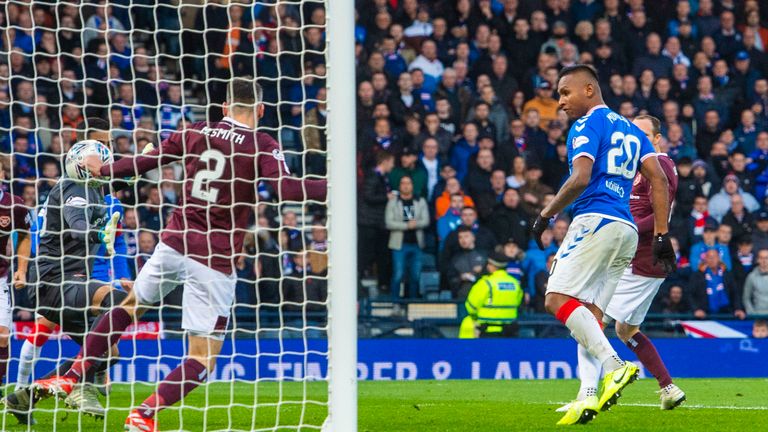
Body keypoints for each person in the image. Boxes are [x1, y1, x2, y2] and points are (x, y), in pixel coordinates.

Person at [31, 78, 327, 431]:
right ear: (261, 110)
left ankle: (73, 374)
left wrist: (104, 170)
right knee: (202, 359)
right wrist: (333, 183)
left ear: (222, 108)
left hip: (174, 241)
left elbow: (143, 162)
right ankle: (144, 414)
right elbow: (285, 188)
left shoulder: (195, 131)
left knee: (129, 306)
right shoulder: (261, 143)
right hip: (214, 258)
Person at [530, 65, 674, 425]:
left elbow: (579, 177)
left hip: (595, 220)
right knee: (591, 317)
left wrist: (546, 215)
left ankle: (615, 366)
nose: (561, 102)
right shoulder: (629, 127)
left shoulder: (587, 124)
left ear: (589, 90)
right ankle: (588, 396)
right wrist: (661, 233)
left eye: (565, 92)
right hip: (625, 229)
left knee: (556, 298)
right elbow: (658, 180)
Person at [563, 115, 685, 415]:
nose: (637, 139)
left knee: (590, 324)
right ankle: (669, 388)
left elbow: (660, 217)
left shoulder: (662, 166)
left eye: (644, 134)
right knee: (626, 330)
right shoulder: (636, 166)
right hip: (635, 259)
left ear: (657, 138)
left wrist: (622, 224)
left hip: (640, 261)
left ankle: (587, 394)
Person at [4, 142, 126, 422]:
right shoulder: (75, 188)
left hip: (66, 282)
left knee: (107, 352)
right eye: (96, 165)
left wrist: (139, 167)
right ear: (81, 166)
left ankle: (23, 398)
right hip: (56, 281)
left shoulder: (90, 188)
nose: (101, 170)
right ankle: (80, 385)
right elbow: (76, 224)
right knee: (119, 302)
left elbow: (118, 181)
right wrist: (99, 236)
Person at [0, 181, 32, 409]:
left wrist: (21, 270)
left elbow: (24, 235)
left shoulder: (14, 205)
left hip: (0, 277)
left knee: (2, 334)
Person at [386, 176, 430, 300]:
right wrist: (406, 225)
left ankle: (412, 303)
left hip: (417, 244)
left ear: (412, 185)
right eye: (403, 183)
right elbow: (389, 222)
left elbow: (426, 220)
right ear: (399, 186)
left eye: (408, 183)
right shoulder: (393, 202)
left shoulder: (420, 201)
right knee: (398, 275)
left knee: (415, 276)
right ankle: (395, 303)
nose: (406, 186)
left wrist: (415, 224)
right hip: (399, 245)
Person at [464, 251, 524, 338]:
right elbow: (518, 302)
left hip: (488, 331)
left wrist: (475, 317)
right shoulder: (515, 283)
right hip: (510, 332)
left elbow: (471, 307)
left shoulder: (485, 283)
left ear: (493, 266)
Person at [743, 249, 768, 315]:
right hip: (758, 315)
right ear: (758, 260)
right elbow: (746, 298)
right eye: (761, 258)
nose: (764, 261)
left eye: (766, 258)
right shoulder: (751, 277)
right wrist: (752, 313)